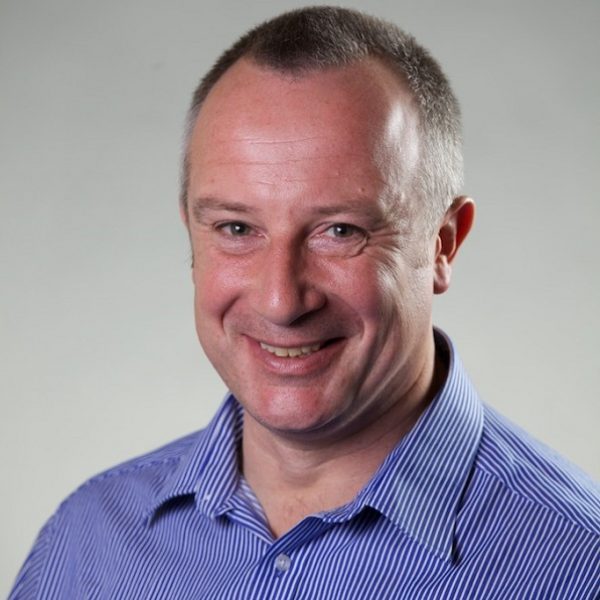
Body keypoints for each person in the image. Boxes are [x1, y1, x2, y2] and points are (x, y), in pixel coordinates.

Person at [10, 6, 599, 599]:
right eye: (237, 229)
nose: (280, 301)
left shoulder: (580, 565)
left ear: (443, 243)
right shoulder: (86, 542)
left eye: (340, 231)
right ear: (191, 231)